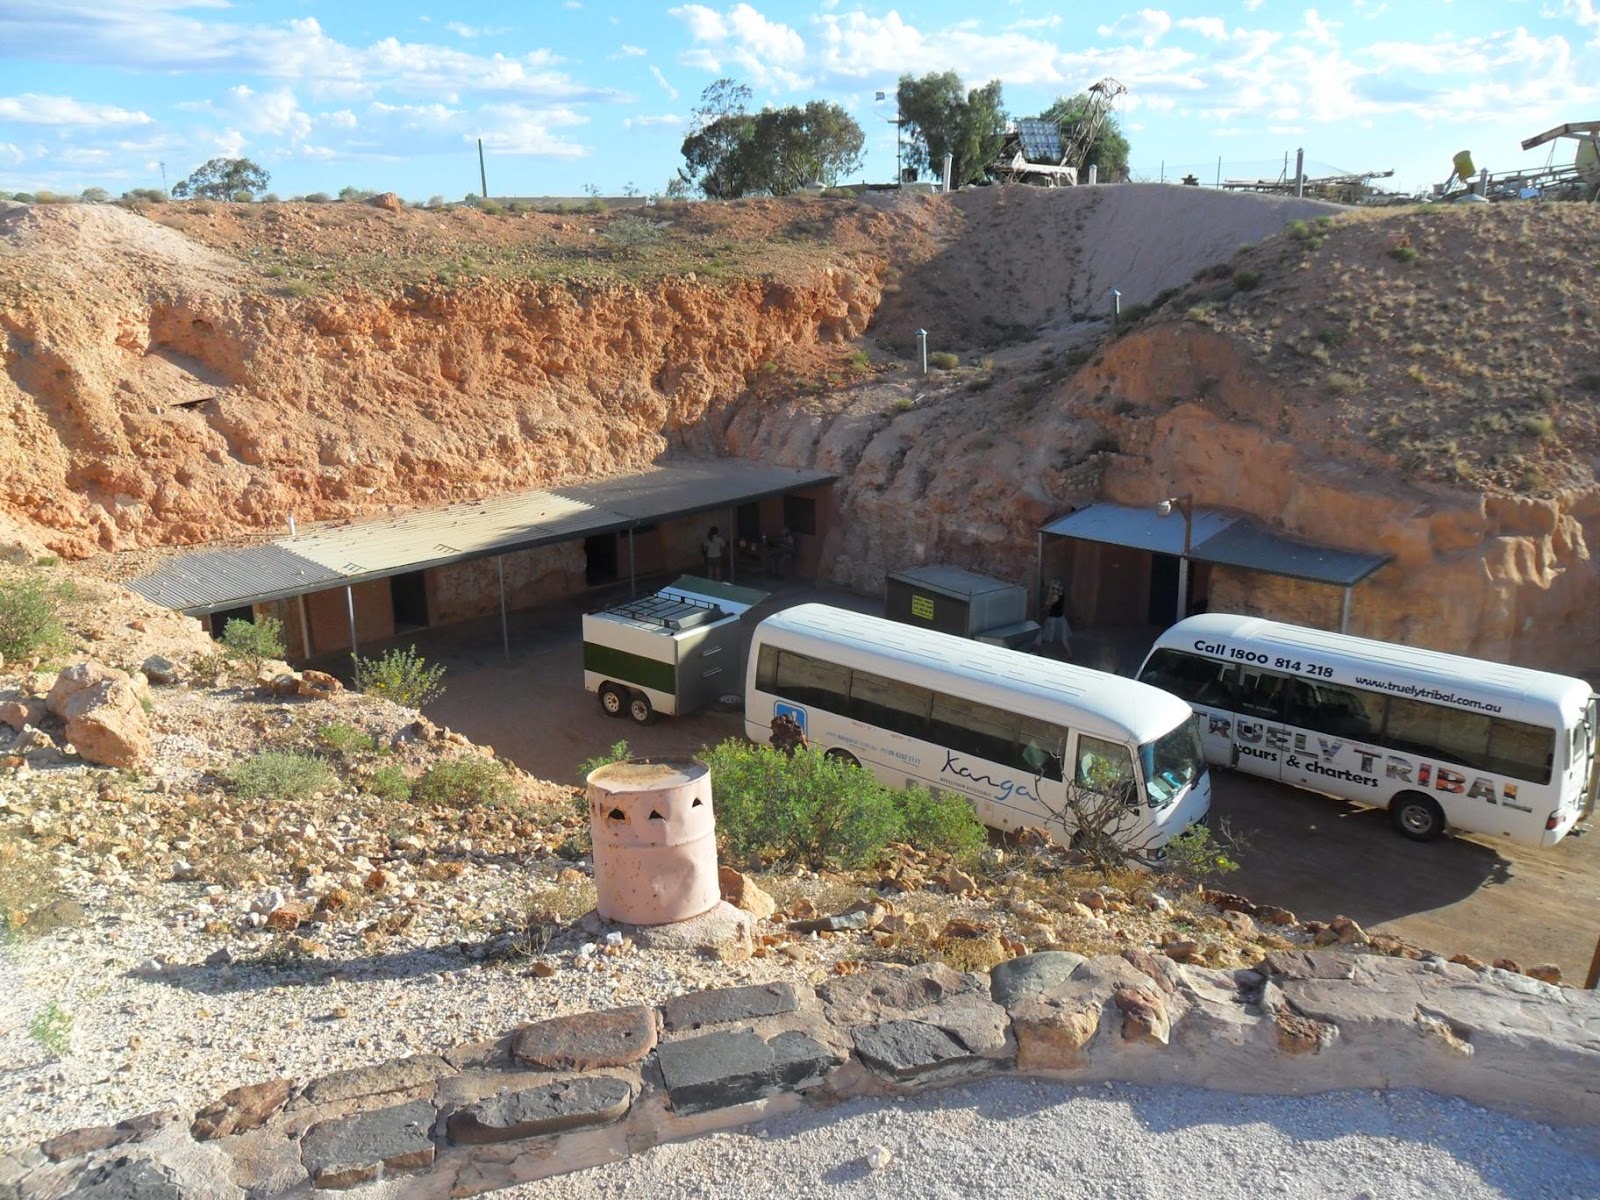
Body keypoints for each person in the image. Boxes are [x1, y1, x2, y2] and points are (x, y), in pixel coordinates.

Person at [1039, 578, 1072, 659]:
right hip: (1061, 618)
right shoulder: (1061, 594)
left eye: (1054, 588)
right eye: (1053, 588)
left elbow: (1047, 605)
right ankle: (1070, 655)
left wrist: (1049, 593)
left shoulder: (1055, 596)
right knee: (1064, 639)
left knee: (1047, 637)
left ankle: (1040, 651)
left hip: (1053, 619)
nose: (1054, 590)